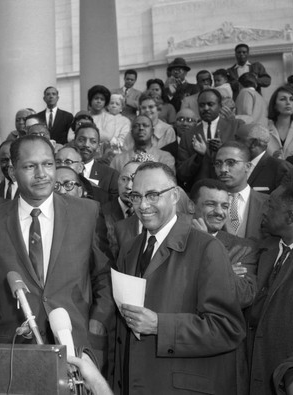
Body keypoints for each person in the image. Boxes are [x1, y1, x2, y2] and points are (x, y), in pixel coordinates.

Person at [0, 135, 114, 370]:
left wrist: (95, 331)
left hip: (78, 355)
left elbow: (103, 279)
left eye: (48, 164)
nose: (42, 173)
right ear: (12, 172)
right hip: (14, 358)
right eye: (30, 166)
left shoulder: (88, 213)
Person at [114, 161, 244, 395]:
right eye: (136, 196)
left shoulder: (207, 248)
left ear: (174, 196)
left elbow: (228, 329)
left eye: (153, 195)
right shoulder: (130, 248)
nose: (143, 205)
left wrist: (160, 326)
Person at [247, 182, 293, 395]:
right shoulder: (260, 248)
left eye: (270, 206)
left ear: (290, 217)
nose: (263, 210)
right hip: (247, 373)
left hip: (286, 379)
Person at [190, 178, 258, 307]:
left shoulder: (244, 248)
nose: (219, 212)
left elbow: (244, 297)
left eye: (225, 206)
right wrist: (227, 273)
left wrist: (208, 245)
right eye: (211, 204)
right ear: (191, 206)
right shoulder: (171, 239)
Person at [177, 88, 241, 191]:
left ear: (220, 106)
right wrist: (198, 157)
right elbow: (182, 174)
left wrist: (223, 149)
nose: (206, 108)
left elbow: (245, 159)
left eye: (210, 104)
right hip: (201, 193)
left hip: (231, 190)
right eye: (202, 105)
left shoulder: (235, 126)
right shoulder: (188, 135)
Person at [214, 141, 268, 240]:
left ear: (248, 167)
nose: (223, 169)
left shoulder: (268, 203)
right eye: (218, 163)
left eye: (230, 163)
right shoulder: (206, 203)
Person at [235, 123, 293, 193]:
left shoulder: (279, 168)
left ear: (254, 143)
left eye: (238, 139)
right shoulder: (234, 165)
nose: (233, 143)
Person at [110, 115, 175, 173]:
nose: (141, 128)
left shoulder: (165, 157)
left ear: (152, 131)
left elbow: (169, 183)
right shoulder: (118, 159)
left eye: (145, 125)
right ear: (132, 132)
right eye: (136, 126)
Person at [74, 122, 120, 196]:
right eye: (82, 140)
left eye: (93, 141)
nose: (86, 145)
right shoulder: (63, 169)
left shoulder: (111, 176)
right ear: (74, 142)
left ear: (98, 147)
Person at [266, 85, 293, 159]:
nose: (288, 102)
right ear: (274, 105)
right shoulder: (263, 132)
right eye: (282, 99)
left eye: (292, 99)